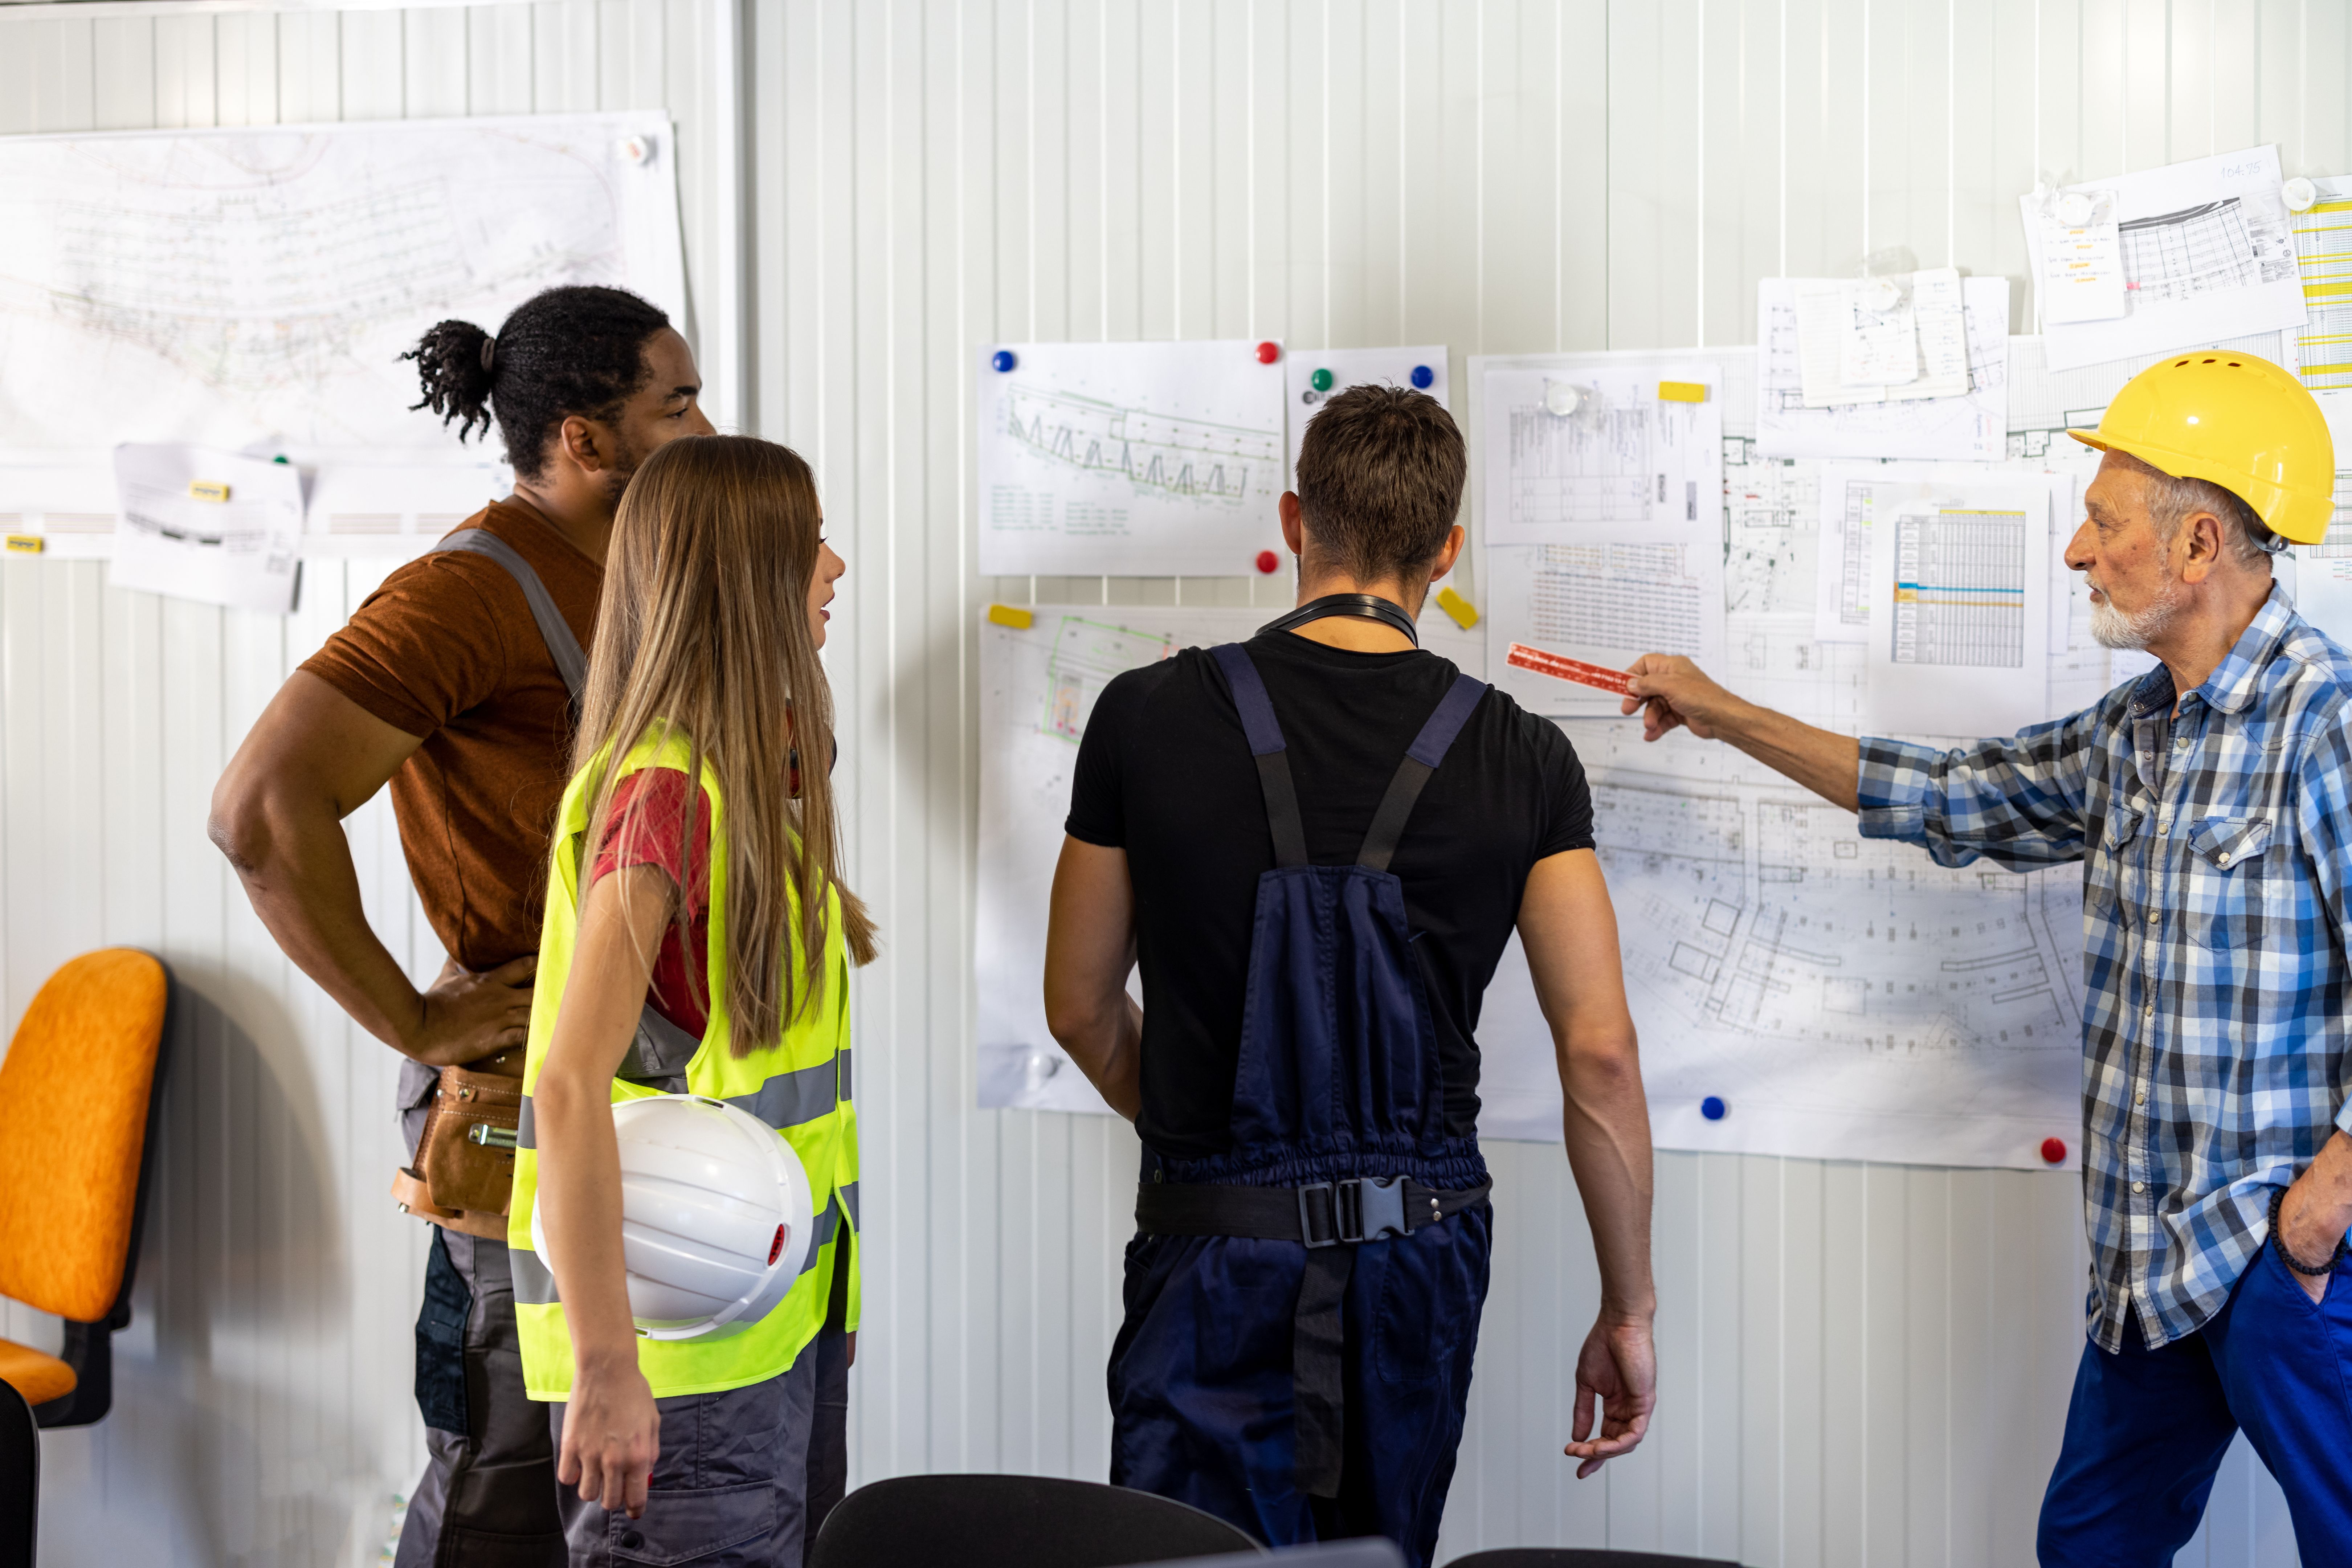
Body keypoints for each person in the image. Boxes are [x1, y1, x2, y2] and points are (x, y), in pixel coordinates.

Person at [1621, 352, 2352, 1567]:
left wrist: (2326, 1206)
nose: (2076, 551)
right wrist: (1727, 713)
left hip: (2281, 1263)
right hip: (2150, 1267)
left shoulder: (2326, 726)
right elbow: (1952, 795)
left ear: (2200, 543)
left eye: (2103, 523)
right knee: (2087, 1552)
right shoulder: (2135, 732)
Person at [1042, 384, 1658, 1566]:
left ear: (1293, 520)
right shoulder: (1525, 755)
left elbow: (1079, 1008)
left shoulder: (1142, 716)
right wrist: (1626, 1308)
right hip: (1416, 1258)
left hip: (1209, 1251)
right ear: (1449, 550)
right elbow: (1600, 1051)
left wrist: (1198, 1130)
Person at [210, 285, 715, 1568]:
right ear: (585, 442)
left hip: (646, 1098)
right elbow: (262, 810)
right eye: (680, 404)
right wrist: (417, 1017)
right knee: (502, 1486)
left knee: (621, 1489)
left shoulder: (638, 572)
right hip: (518, 1113)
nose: (707, 429)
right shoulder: (470, 590)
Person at [505, 434, 874, 1567]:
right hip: (681, 1369)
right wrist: (608, 1370)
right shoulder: (664, 795)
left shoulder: (731, 773)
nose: (836, 568)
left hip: (766, 1330)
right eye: (810, 544)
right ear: (747, 577)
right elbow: (570, 1087)